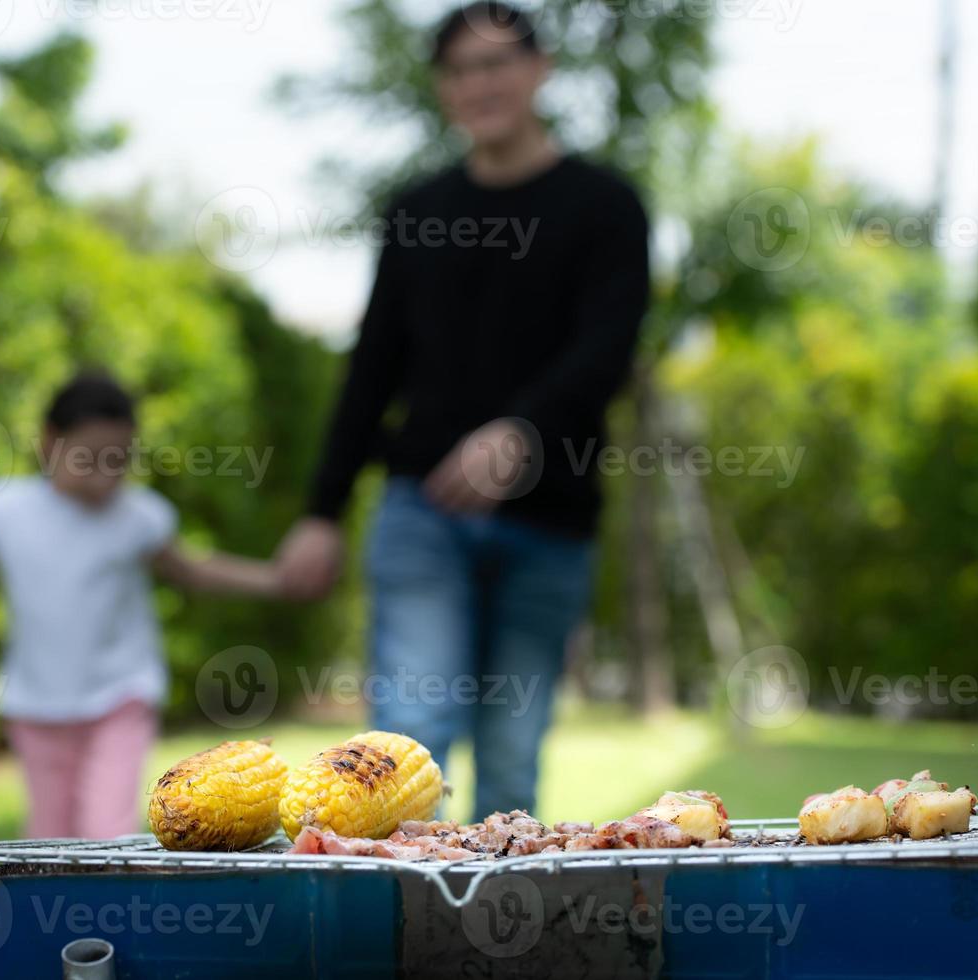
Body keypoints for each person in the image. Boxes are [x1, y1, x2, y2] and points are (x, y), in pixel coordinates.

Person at [275, 2, 650, 818]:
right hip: (422, 514)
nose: (480, 83)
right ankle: (400, 943)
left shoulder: (605, 205)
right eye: (460, 69)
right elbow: (372, 366)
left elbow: (606, 350)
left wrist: (523, 432)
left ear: (539, 68)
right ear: (444, 89)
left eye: (496, 63)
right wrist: (322, 510)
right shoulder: (417, 211)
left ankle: (501, 946)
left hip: (550, 523)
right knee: (403, 747)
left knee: (512, 763)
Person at [0, 372, 283, 841]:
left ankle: (107, 913)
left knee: (104, 834)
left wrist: (277, 580)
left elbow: (195, 571)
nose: (105, 477)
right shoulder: (6, 509)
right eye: (89, 459)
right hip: (37, 706)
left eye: (119, 461)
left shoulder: (139, 516)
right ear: (49, 443)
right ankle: (56, 916)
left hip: (119, 697)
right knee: (48, 837)